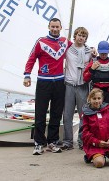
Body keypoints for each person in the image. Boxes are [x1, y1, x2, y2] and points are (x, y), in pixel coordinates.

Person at [23, 18, 72, 155]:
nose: (55, 29)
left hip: (59, 83)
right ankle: (38, 143)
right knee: (40, 113)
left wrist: (91, 50)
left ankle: (52, 142)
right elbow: (31, 58)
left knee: (56, 114)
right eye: (52, 26)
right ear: (48, 27)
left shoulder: (65, 41)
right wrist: (27, 75)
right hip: (44, 82)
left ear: (61, 27)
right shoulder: (41, 41)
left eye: (57, 26)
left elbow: (78, 48)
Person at [62, 27, 95, 150]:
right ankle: (67, 141)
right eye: (79, 35)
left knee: (83, 115)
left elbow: (93, 65)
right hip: (69, 85)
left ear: (86, 38)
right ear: (74, 36)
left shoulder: (89, 51)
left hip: (83, 86)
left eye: (83, 36)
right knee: (67, 115)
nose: (81, 38)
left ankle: (82, 141)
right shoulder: (68, 49)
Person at [82, 88, 109, 168]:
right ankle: (95, 156)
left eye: (99, 98)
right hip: (95, 145)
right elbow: (85, 134)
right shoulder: (86, 114)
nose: (97, 101)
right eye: (94, 98)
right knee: (99, 164)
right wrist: (97, 142)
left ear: (102, 99)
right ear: (89, 99)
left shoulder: (107, 111)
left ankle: (106, 154)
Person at [83, 41, 109, 111]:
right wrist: (92, 69)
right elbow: (85, 78)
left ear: (108, 51)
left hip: (108, 93)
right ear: (98, 51)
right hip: (96, 93)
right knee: (95, 114)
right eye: (101, 53)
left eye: (105, 53)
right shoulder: (93, 62)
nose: (103, 55)